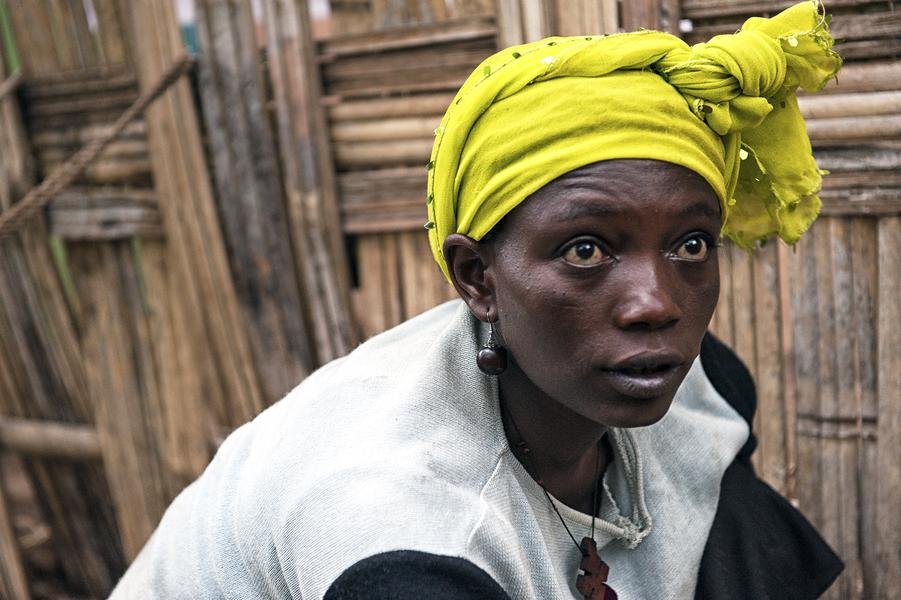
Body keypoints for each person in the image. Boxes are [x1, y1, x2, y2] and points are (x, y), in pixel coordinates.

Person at [110, 1, 844, 598]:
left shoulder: (699, 394)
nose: (655, 303)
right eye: (585, 250)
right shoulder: (399, 528)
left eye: (689, 245)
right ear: (476, 279)